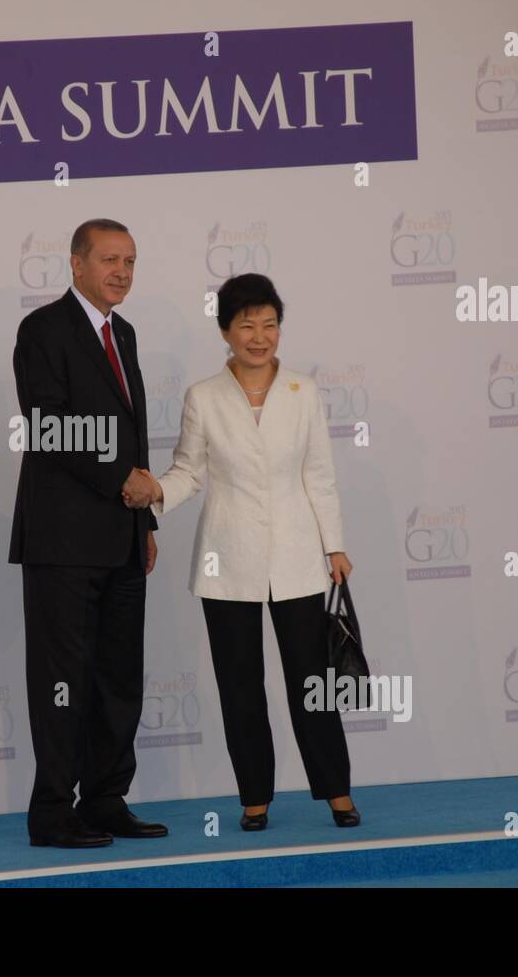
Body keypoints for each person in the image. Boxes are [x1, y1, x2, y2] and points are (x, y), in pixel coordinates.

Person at [122, 272, 360, 831]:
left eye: (270, 324)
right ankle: (255, 799)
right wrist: (157, 491)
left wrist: (335, 545)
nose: (260, 336)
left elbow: (319, 475)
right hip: (225, 560)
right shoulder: (203, 397)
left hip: (299, 557)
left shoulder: (304, 391)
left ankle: (337, 792)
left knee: (312, 682)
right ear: (225, 330)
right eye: (247, 325)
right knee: (239, 685)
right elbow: (189, 471)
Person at [8, 218, 168, 848]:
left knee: (119, 677)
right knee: (63, 679)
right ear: (76, 264)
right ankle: (52, 810)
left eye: (130, 261)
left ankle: (105, 800)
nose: (121, 272)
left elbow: (133, 433)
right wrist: (120, 480)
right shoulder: (42, 329)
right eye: (108, 260)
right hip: (63, 543)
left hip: (123, 537)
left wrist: (144, 520)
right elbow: (48, 427)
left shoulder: (122, 332)